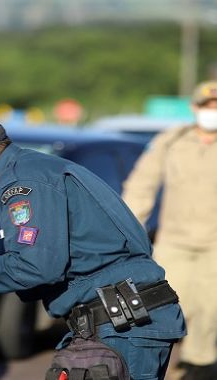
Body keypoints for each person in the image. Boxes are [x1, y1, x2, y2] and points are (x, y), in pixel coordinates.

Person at [0, 103, 186, 379]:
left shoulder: (25, 184)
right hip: (120, 321)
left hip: (122, 326)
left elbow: (35, 267)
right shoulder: (30, 171)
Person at [122, 80, 217, 380]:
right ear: (195, 108)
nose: (212, 112)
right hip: (174, 241)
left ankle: (198, 369)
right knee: (164, 307)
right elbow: (141, 187)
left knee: (209, 313)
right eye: (207, 106)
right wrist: (128, 233)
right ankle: (162, 368)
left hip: (214, 244)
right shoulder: (171, 141)